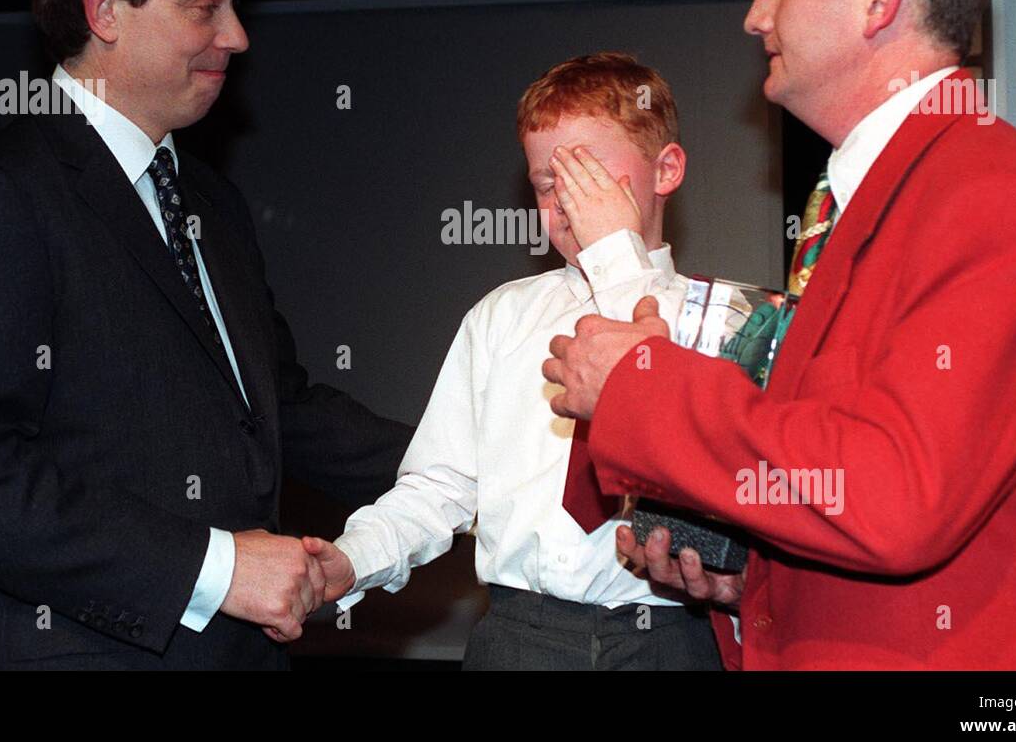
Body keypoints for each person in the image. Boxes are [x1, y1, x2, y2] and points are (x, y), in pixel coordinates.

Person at [543, 0, 1016, 669]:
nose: (755, 14)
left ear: (878, 0)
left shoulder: (996, 194)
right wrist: (755, 591)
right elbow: (855, 485)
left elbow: (895, 493)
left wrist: (641, 383)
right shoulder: (873, 200)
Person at [0, 0, 411, 670]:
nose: (235, 37)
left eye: (234, 6)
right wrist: (216, 567)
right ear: (106, 10)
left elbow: (281, 407)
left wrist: (479, 464)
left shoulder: (212, 203)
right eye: (207, 5)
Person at [304, 52, 724, 669]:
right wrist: (354, 557)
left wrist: (615, 257)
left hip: (667, 636)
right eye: (548, 186)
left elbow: (676, 421)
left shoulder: (717, 320)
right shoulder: (500, 318)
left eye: (590, 180)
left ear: (665, 170)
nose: (568, 206)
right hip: (521, 634)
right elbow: (441, 484)